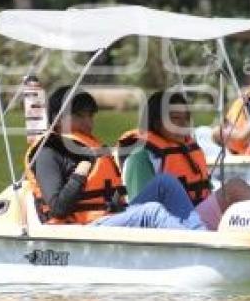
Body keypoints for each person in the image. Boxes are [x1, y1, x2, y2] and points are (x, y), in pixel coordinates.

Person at [24, 86, 205, 230]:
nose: (88, 123)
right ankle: (197, 247)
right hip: (80, 228)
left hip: (108, 218)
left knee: (165, 183)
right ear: (58, 117)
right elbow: (58, 209)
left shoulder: (88, 147)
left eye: (90, 116)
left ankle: (201, 235)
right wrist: (80, 173)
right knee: (152, 211)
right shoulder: (48, 152)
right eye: (79, 116)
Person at [117, 90, 250, 230]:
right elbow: (142, 211)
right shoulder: (141, 156)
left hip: (195, 215)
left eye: (186, 118)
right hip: (172, 225)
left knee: (241, 188)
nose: (183, 124)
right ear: (156, 123)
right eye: (175, 118)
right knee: (234, 188)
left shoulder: (188, 148)